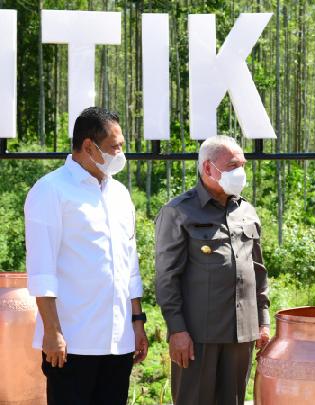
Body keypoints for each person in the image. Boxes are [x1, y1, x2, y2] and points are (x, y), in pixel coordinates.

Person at [24, 107, 148, 405]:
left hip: (118, 341)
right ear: (89, 146)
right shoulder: (51, 190)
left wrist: (138, 322)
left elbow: (129, 264)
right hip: (72, 342)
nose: (121, 153)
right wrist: (52, 332)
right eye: (115, 146)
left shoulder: (119, 194)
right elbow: (42, 269)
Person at [155, 135, 270, 405]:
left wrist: (263, 321)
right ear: (208, 168)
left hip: (241, 335)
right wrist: (177, 330)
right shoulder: (179, 212)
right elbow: (166, 278)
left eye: (242, 165)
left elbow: (258, 272)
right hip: (197, 337)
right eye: (232, 166)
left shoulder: (247, 211)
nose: (240, 173)